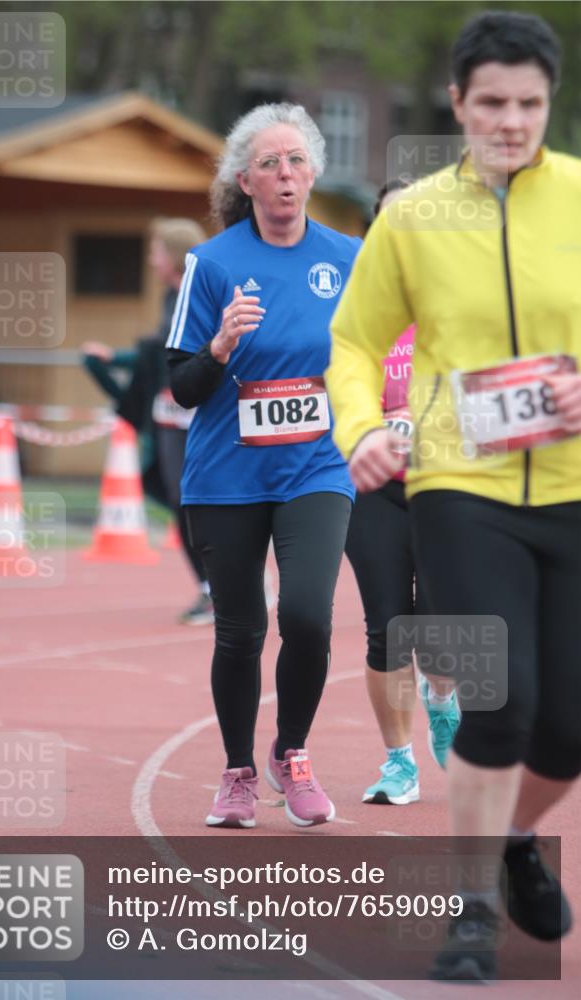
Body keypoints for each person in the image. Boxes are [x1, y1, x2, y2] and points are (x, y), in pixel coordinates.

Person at [327, 10, 580, 980]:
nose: (510, 122)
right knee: (500, 699)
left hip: (573, 489)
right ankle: (470, 907)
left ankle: (513, 840)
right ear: (456, 103)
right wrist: (359, 430)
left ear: (547, 101)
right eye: (491, 104)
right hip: (457, 483)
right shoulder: (413, 215)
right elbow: (353, 340)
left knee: (568, 726)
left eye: (528, 104)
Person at [166, 103, 360, 829]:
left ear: (314, 173)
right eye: (270, 164)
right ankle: (239, 771)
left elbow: (379, 354)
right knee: (240, 631)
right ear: (244, 180)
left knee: (307, 616)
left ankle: (293, 751)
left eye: (297, 161)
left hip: (317, 467)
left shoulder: (347, 259)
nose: (285, 174)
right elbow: (180, 387)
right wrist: (217, 348)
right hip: (226, 474)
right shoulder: (212, 264)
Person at [343, 179, 460, 808]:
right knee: (386, 627)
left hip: (447, 491)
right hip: (374, 490)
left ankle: (444, 702)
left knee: (441, 630)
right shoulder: (358, 310)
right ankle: (398, 764)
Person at [81, 217, 214, 625]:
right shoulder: (166, 298)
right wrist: (114, 358)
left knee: (198, 504)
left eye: (156, 251)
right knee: (176, 498)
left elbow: (189, 352)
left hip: (200, 416)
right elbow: (157, 353)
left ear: (173, 256)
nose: (151, 260)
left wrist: (119, 357)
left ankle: (227, 581)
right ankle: (212, 586)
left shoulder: (200, 296)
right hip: (168, 417)